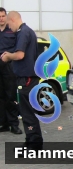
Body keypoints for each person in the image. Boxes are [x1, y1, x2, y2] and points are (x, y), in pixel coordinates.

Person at [1, 11, 43, 149]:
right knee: (27, 112)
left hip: (27, 78)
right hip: (27, 78)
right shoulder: (26, 31)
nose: (9, 28)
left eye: (8, 23)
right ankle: (31, 141)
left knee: (27, 113)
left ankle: (34, 145)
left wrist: (7, 57)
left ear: (12, 19)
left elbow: (19, 55)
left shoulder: (23, 32)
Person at [0, 7, 22, 134]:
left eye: (3, 16)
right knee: (1, 96)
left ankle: (14, 124)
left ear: (6, 17)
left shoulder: (12, 30)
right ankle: (3, 123)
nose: (1, 19)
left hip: (9, 64)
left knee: (11, 95)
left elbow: (18, 47)